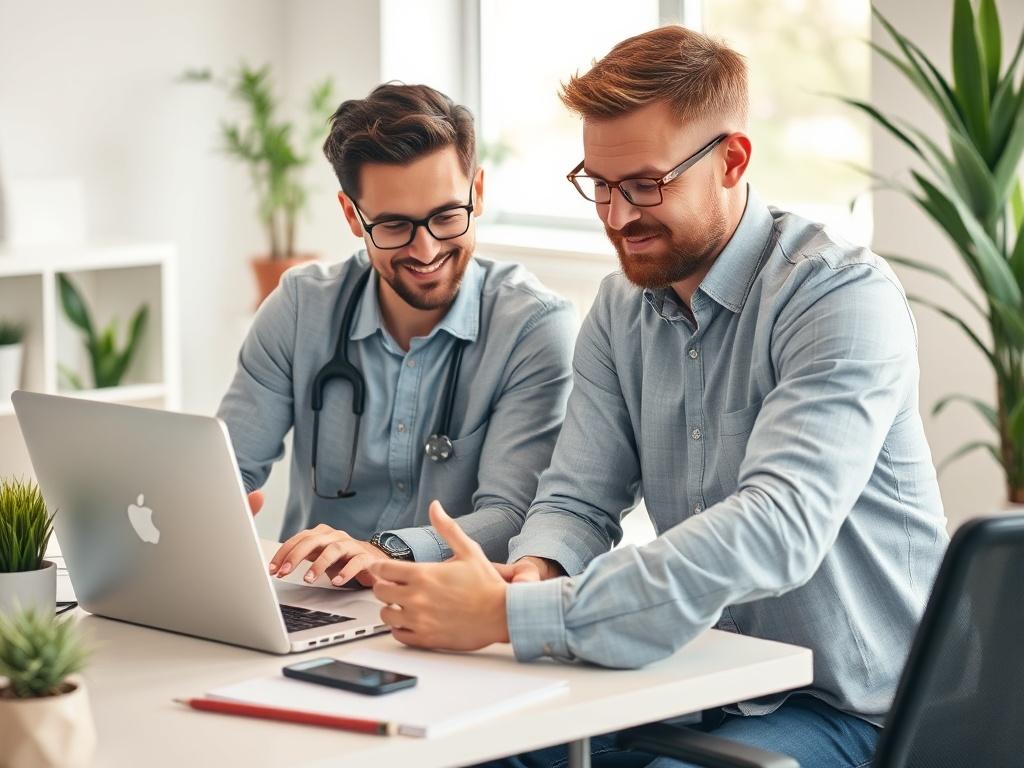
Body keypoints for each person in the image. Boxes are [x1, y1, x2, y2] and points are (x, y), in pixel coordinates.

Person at [368, 26, 948, 767]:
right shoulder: (621, 309)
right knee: (466, 746)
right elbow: (578, 497)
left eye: (645, 185)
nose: (616, 217)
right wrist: (536, 570)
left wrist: (518, 616)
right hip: (696, 678)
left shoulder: (837, 297)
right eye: (600, 186)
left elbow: (777, 527)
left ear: (733, 160)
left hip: (851, 708)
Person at [217, 83, 575, 588]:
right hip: (313, 598)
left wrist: (381, 552)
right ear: (351, 215)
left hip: (449, 610)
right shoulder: (300, 307)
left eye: (447, 216)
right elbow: (228, 471)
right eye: (393, 226)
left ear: (477, 193)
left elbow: (513, 519)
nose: (426, 250)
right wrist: (210, 505)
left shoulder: (532, 329)